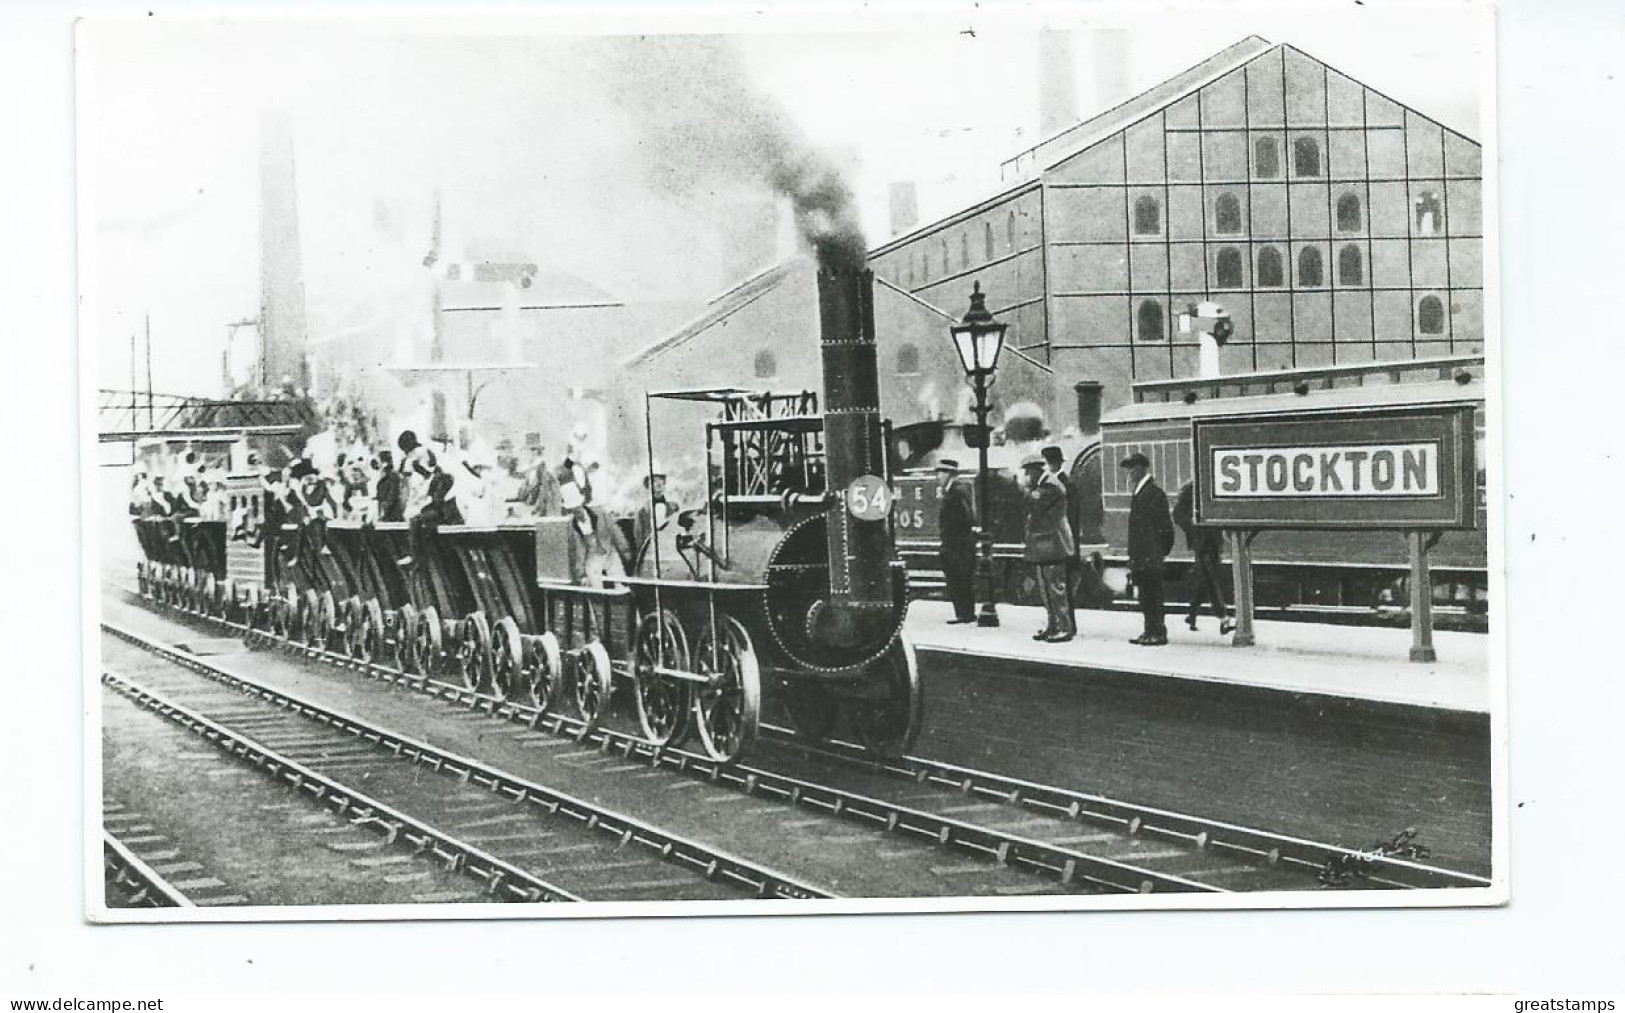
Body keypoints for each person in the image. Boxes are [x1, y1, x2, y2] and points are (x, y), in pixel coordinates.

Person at [1020, 453, 1076, 643]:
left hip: (1053, 544)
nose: (1027, 477)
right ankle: (1053, 626)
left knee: (1055, 588)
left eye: (1028, 473)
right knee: (1046, 589)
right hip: (1045, 545)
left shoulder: (1049, 486)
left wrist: (1026, 490)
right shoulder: (1043, 485)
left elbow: (1034, 503)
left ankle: (1064, 627)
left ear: (1036, 471)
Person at [1122, 452, 1175, 646]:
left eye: (1131, 468)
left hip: (1149, 555)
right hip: (1142, 555)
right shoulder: (1141, 492)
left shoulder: (1153, 493)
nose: (1129, 473)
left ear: (1141, 469)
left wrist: (1159, 551)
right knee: (1145, 596)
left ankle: (1158, 632)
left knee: (1152, 595)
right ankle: (1149, 630)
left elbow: (1164, 527)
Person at [1173, 482, 1236, 635]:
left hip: (1210, 542)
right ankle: (1223, 618)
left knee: (1205, 579)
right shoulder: (1193, 488)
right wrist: (1194, 530)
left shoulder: (1202, 485)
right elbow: (1178, 514)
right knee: (1211, 578)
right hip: (1204, 543)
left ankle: (1192, 615)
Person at [1042, 444, 1081, 631]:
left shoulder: (1064, 484)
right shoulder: (1054, 483)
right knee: (1056, 586)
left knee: (1061, 587)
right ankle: (1058, 624)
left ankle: (1067, 625)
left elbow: (1071, 518)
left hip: (1062, 542)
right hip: (1056, 542)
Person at [934, 458, 977, 624]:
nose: (938, 477)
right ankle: (963, 613)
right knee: (957, 580)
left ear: (948, 474)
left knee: (959, 579)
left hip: (958, 545)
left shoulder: (957, 491)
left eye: (940, 473)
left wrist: (954, 534)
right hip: (956, 544)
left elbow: (966, 517)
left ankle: (965, 614)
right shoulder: (953, 490)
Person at [561, 481, 627, 587]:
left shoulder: (600, 513)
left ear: (581, 504)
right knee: (595, 589)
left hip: (609, 553)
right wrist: (581, 575)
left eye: (577, 508)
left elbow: (616, 532)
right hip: (591, 558)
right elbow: (575, 552)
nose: (576, 512)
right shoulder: (571, 526)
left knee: (621, 584)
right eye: (572, 510)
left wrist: (625, 552)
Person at [633, 471, 675, 552]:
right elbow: (639, 537)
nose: (659, 483)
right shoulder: (642, 511)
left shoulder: (673, 508)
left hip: (670, 551)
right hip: (650, 551)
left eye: (662, 480)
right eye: (654, 481)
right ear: (648, 485)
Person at [373, 450, 404, 522]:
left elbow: (392, 495)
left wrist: (384, 508)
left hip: (391, 515)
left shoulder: (392, 475)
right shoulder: (386, 475)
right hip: (387, 514)